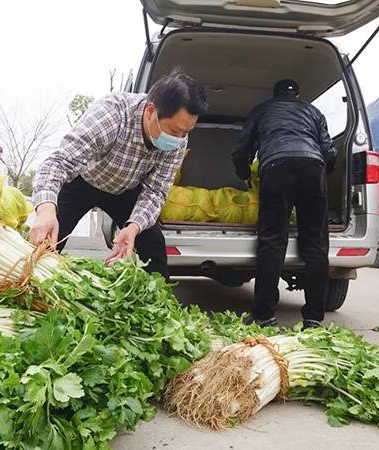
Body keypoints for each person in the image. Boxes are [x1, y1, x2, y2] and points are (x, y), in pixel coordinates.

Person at [30, 71, 208, 279]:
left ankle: (160, 305)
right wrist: (45, 211)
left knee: (153, 245)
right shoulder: (113, 114)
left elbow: (156, 191)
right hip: (83, 180)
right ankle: (29, 288)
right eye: (175, 130)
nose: (179, 139)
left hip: (125, 190)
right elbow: (59, 162)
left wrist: (132, 228)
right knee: (48, 239)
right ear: (151, 111)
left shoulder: (178, 141)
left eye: (185, 132)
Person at [232, 79, 337, 330]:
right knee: (315, 243)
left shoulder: (262, 110)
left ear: (275, 94)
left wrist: (244, 173)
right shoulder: (313, 112)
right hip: (313, 166)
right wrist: (323, 174)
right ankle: (313, 318)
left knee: (272, 240)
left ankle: (265, 314)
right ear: (298, 94)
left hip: (276, 167)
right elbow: (330, 151)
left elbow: (241, 149)